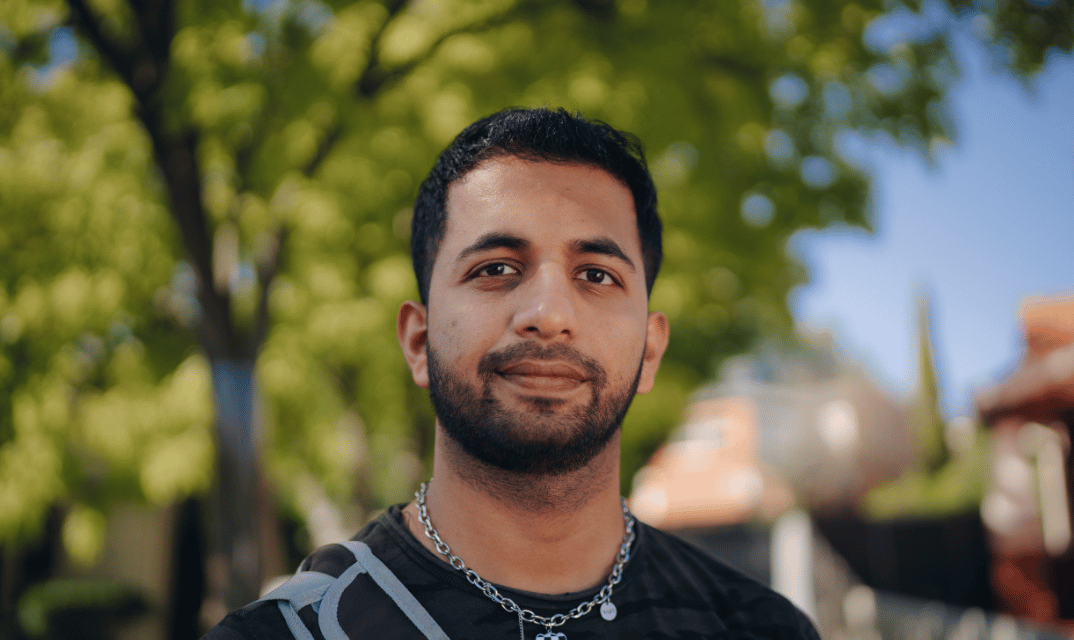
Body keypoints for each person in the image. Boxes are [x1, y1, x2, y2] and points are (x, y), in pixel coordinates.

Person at [202, 107, 819, 640]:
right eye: (496, 269)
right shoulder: (294, 632)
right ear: (418, 341)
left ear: (650, 352)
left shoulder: (760, 628)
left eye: (597, 275)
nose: (549, 316)